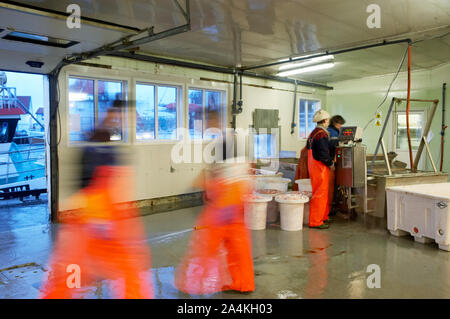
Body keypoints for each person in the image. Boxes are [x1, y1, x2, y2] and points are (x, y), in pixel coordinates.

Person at [39, 100, 154, 299]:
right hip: (103, 223)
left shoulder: (95, 153)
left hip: (91, 223)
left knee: (69, 272)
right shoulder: (102, 156)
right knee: (128, 273)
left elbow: (86, 189)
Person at [307, 109, 334, 229]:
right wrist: (330, 163)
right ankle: (316, 221)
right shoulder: (321, 134)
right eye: (328, 120)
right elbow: (323, 153)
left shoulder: (314, 132)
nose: (328, 122)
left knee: (321, 193)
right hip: (320, 167)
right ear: (325, 121)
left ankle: (323, 216)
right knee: (320, 194)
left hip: (314, 166)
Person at [327, 115, 346, 215]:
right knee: (331, 186)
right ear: (335, 123)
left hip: (329, 161)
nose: (341, 126)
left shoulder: (329, 130)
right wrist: (332, 162)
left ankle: (332, 204)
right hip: (330, 162)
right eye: (340, 124)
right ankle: (331, 206)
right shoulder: (333, 132)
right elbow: (335, 147)